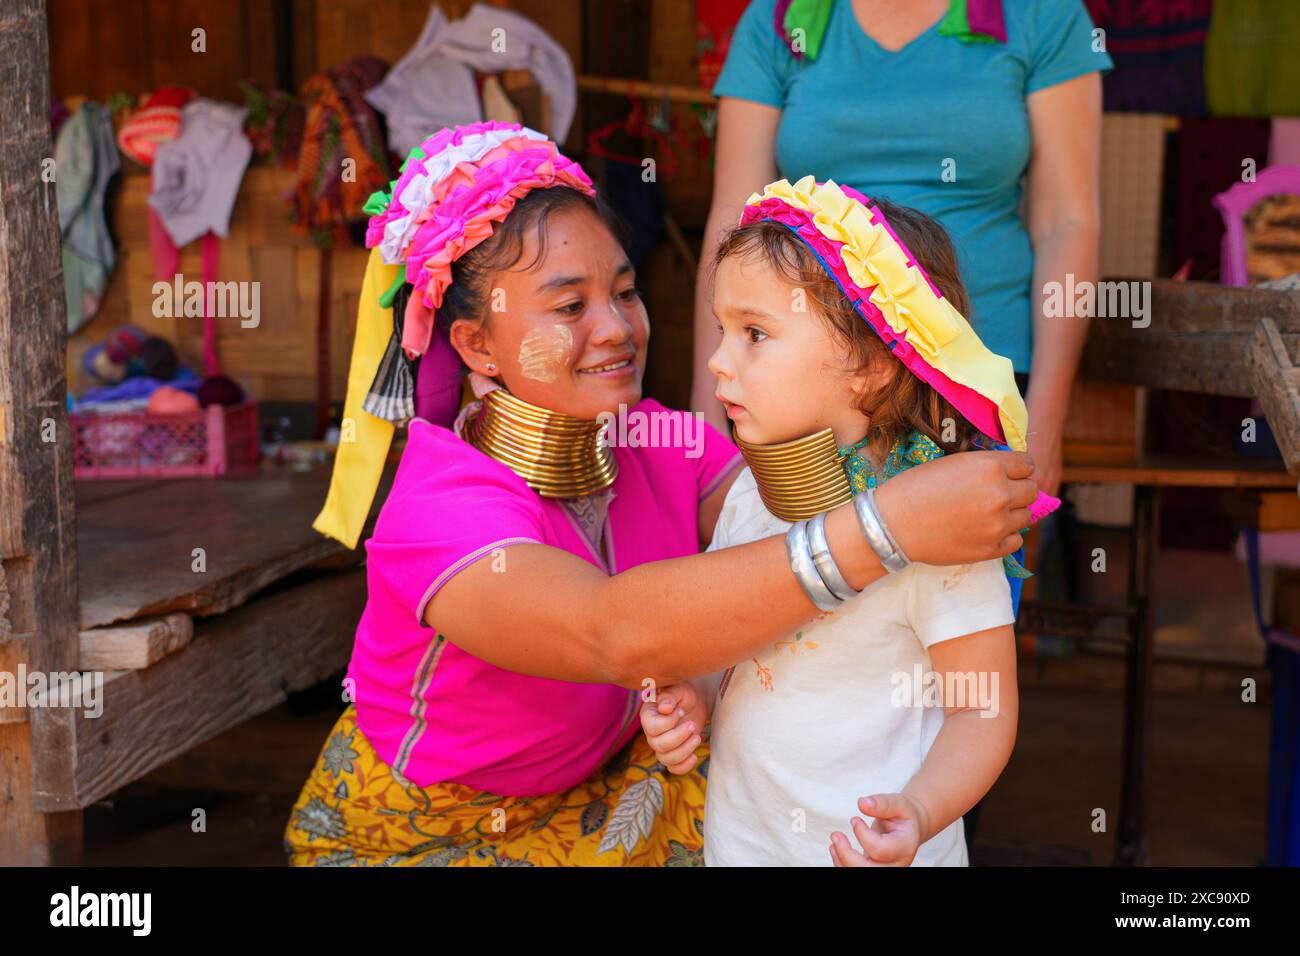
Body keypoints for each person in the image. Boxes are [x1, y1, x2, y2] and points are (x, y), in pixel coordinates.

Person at [284, 123, 1037, 867]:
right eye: (570, 307)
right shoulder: (441, 503)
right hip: (434, 835)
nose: (616, 328)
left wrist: (921, 465)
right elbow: (610, 634)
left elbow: (796, 514)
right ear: (479, 344)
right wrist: (894, 524)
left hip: (620, 786)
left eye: (624, 291)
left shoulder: (655, 440)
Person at [644, 178, 1058, 866]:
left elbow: (981, 710)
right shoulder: (750, 495)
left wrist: (921, 811)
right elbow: (734, 649)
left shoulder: (942, 524)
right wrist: (699, 694)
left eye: (754, 334)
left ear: (867, 363)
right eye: (723, 331)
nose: (717, 360)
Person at [693, 0, 1112, 498]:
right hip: (810, 379)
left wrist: (1044, 417)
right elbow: (732, 221)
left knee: (972, 571)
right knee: (807, 565)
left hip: (979, 376)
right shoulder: (780, 18)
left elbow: (1067, 222)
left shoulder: (1042, 14)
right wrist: (708, 425)